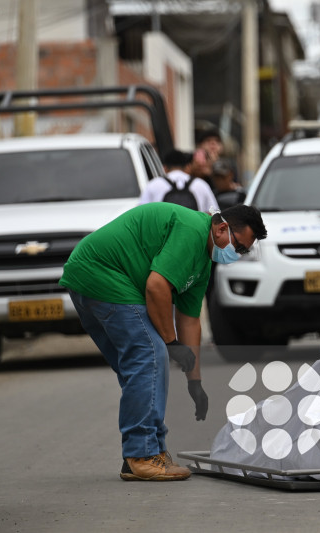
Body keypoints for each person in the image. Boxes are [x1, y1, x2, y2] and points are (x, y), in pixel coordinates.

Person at [59, 202, 267, 480]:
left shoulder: (203, 259)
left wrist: (195, 382)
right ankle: (141, 454)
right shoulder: (192, 231)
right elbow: (157, 286)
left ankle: (147, 451)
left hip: (88, 276)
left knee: (141, 367)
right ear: (221, 228)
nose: (238, 255)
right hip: (102, 273)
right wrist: (171, 343)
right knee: (150, 353)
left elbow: (190, 320)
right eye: (239, 247)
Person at [140, 149, 218, 213]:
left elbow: (141, 213)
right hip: (194, 231)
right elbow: (214, 213)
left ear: (164, 168)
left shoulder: (153, 184)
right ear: (187, 166)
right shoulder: (201, 184)